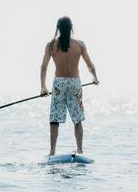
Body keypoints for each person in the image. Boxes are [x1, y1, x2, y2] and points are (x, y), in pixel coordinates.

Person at [40, 16, 99, 156]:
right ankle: (80, 150)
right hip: (74, 83)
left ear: (58, 28)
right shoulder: (80, 45)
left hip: (59, 84)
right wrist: (95, 78)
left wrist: (43, 87)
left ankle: (52, 152)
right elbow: (90, 66)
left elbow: (43, 67)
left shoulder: (50, 45)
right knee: (77, 119)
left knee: (54, 120)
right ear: (71, 28)